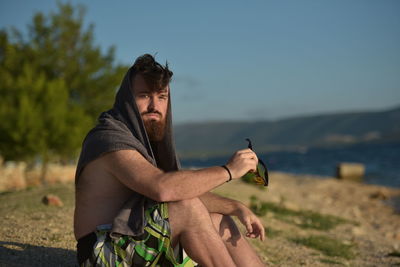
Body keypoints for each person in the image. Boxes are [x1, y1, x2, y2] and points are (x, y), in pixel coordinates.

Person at [74, 54, 266, 267]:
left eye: (162, 97)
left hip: (131, 240)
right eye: (144, 95)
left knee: (220, 221)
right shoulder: (110, 137)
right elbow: (163, 189)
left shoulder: (144, 140)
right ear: (127, 100)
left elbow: (182, 190)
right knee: (187, 207)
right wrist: (228, 171)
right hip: (101, 252)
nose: (154, 105)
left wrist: (234, 207)